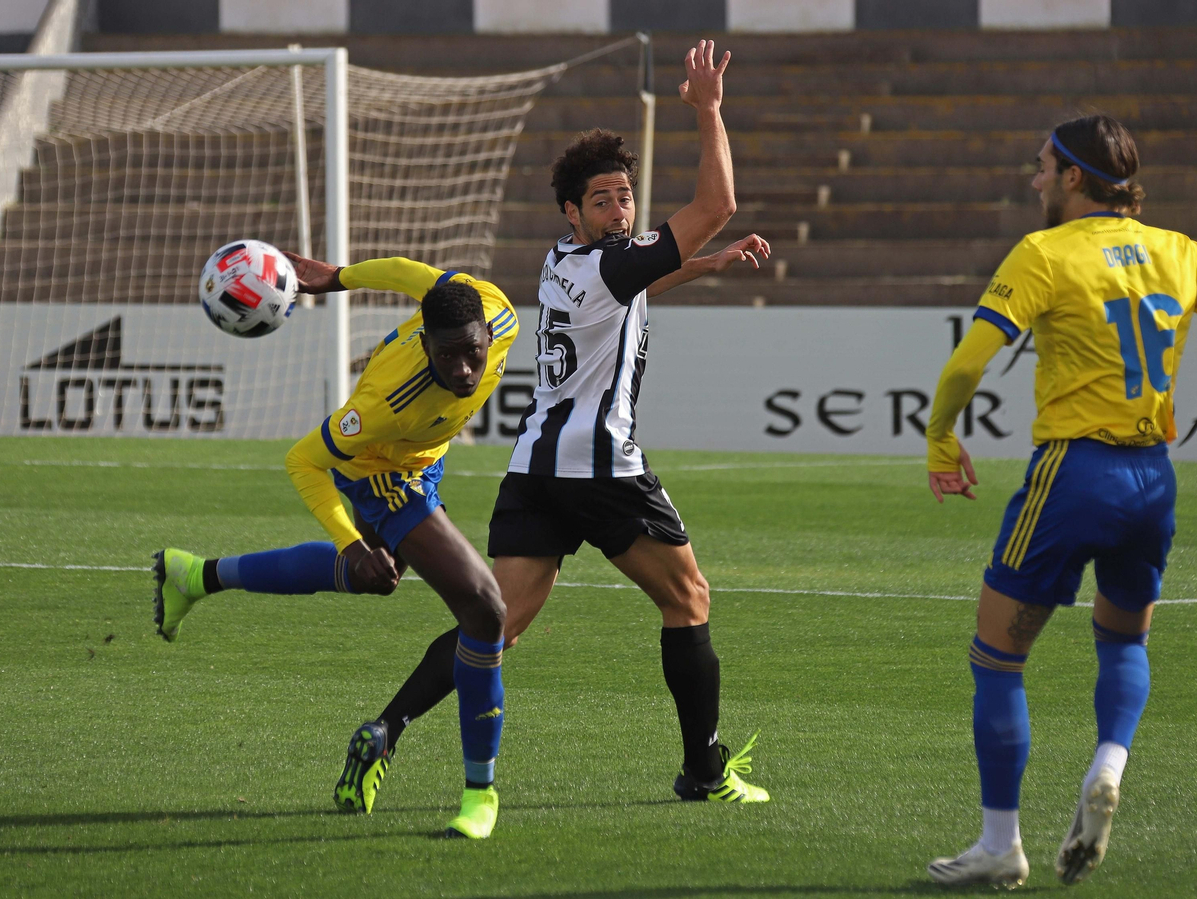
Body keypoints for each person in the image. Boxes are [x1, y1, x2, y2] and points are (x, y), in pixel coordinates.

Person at [333, 39, 774, 816]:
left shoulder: (563, 260)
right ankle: (704, 770)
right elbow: (716, 206)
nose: (620, 209)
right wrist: (707, 110)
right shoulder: (611, 264)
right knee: (689, 599)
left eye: (625, 196)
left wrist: (704, 265)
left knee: (492, 626)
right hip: (604, 472)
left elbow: (639, 277)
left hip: (536, 469)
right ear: (573, 211)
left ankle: (384, 728)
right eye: (603, 199)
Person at [922, 114, 1197, 887]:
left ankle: (999, 844)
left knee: (997, 656)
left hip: (1073, 472)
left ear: (1073, 178)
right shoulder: (1180, 250)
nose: (1033, 181)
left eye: (1041, 167)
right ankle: (1109, 762)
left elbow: (965, 366)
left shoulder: (1044, 252)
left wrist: (940, 436)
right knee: (1124, 641)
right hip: (1153, 478)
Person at [151, 253, 521, 840]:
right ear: (424, 345)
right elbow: (303, 461)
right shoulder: (381, 404)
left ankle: (196, 576)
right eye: (445, 355)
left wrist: (339, 276)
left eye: (471, 351)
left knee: (375, 577)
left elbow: (413, 274)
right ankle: (480, 794)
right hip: (379, 469)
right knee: (486, 609)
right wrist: (349, 540)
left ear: (488, 333)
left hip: (421, 460)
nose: (463, 370)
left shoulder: (499, 314)